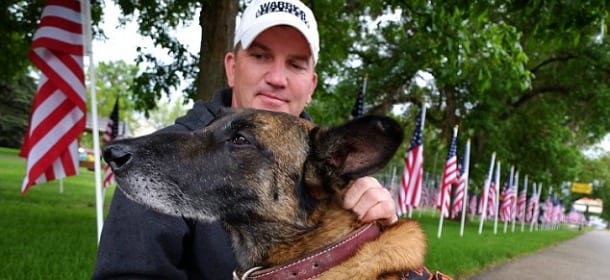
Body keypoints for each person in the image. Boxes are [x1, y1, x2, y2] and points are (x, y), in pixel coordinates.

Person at [92, 0, 397, 279]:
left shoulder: (331, 172)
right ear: (232, 67)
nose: (277, 78)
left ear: (311, 84)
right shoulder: (163, 160)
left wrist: (372, 232)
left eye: (296, 64)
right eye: (260, 55)